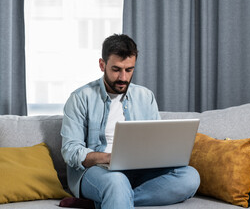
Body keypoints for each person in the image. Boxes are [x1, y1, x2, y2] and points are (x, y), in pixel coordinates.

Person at [61, 34, 200, 209]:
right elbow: (70, 150)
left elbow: (156, 141)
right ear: (102, 65)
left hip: (139, 171)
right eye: (116, 69)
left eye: (129, 70)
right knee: (117, 181)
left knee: (190, 176)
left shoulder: (145, 96)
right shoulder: (80, 98)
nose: (123, 78)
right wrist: (108, 158)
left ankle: (104, 202)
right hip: (97, 171)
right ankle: (113, 195)